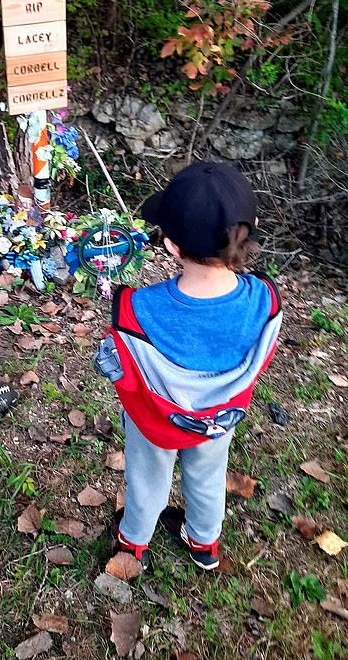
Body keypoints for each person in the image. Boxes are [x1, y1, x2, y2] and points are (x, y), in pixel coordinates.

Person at [95, 162, 282, 570]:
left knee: (147, 481)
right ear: (248, 231)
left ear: (172, 246)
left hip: (153, 422)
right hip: (219, 419)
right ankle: (203, 544)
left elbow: (117, 366)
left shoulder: (135, 310)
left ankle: (133, 542)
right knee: (208, 476)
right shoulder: (264, 301)